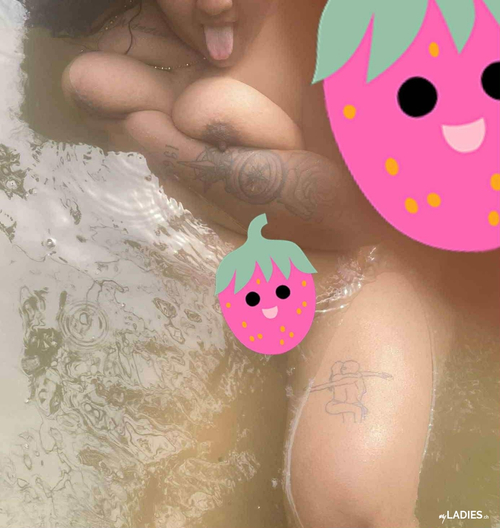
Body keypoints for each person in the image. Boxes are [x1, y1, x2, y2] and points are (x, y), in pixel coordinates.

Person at [20, 0, 499, 527]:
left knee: (346, 505)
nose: (215, 3)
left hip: (368, 266)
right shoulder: (111, 30)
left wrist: (167, 138)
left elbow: (381, 217)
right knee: (167, 506)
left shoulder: (387, 24)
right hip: (210, 264)